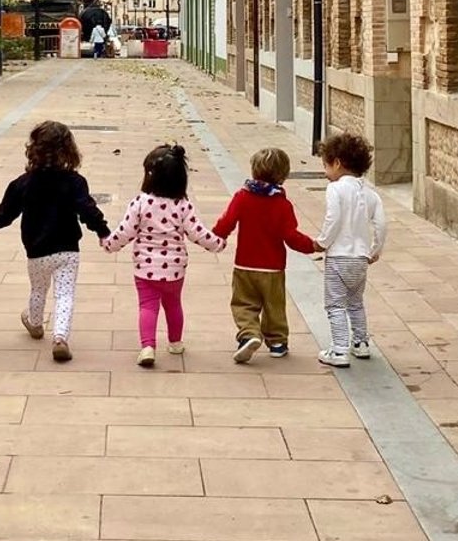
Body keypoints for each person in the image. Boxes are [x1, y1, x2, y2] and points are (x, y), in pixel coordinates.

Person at [0, 120, 110, 362]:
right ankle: (60, 337)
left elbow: (6, 210)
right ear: (69, 151)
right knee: (65, 294)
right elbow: (87, 210)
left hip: (37, 250)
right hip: (67, 250)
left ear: (34, 150)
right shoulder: (75, 182)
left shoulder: (23, 183)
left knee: (38, 289)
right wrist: (102, 231)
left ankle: (35, 323)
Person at [104, 143, 224, 368]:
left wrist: (109, 244)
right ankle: (175, 342)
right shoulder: (183, 205)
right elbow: (197, 232)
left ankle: (148, 346)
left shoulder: (140, 203)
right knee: (174, 304)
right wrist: (217, 244)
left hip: (145, 269)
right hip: (175, 270)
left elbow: (126, 231)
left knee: (147, 306)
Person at [213, 146, 321, 363]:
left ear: (254, 170)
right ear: (283, 176)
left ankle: (249, 334)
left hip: (244, 265)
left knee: (243, 304)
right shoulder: (282, 204)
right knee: (274, 306)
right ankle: (277, 342)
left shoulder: (242, 197)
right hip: (273, 268)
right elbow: (290, 236)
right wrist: (312, 245)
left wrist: (215, 237)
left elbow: (227, 222)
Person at [312, 132, 387, 367]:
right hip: (360, 258)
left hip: (338, 257)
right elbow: (381, 224)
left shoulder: (335, 189)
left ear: (336, 163)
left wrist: (323, 241)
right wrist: (375, 249)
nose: (325, 172)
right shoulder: (371, 194)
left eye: (325, 166)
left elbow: (333, 218)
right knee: (355, 302)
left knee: (335, 305)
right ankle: (361, 343)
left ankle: (339, 349)